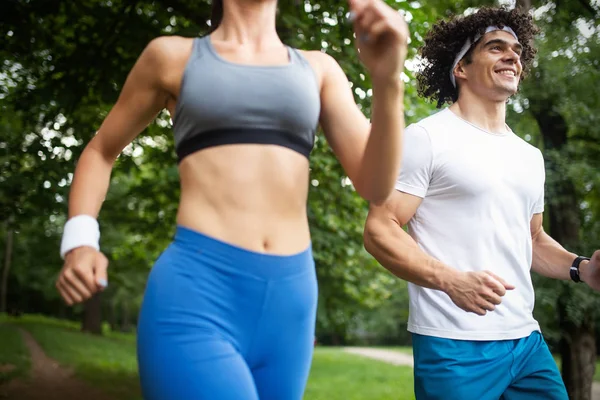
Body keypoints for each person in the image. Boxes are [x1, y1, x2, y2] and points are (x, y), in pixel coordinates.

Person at [55, 0, 409, 398]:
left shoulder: (319, 68)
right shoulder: (172, 56)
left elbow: (376, 186)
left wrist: (387, 79)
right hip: (198, 292)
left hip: (291, 302)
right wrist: (80, 240)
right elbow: (101, 150)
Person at [363, 6, 600, 400]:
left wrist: (581, 268)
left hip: (525, 341)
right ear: (461, 68)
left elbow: (533, 240)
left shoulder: (529, 156)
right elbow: (379, 228)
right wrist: (451, 281)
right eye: (496, 47)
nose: (513, 56)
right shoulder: (427, 139)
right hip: (454, 345)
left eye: (517, 50)